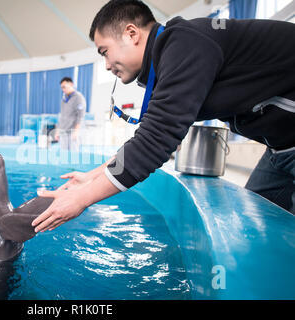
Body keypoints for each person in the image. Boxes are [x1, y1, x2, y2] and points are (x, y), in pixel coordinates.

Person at [32, 0, 295, 233]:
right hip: (281, 148)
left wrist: (81, 199)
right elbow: (149, 137)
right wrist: (93, 175)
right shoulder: (170, 61)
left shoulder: (185, 42)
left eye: (105, 52)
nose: (107, 65)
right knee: (261, 231)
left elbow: (156, 142)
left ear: (131, 33)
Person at [55, 77, 86, 151]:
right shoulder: (64, 99)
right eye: (62, 88)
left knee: (73, 155)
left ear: (71, 84)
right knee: (64, 155)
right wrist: (57, 131)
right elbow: (62, 116)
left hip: (73, 132)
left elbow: (80, 116)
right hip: (63, 132)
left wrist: (76, 131)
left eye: (64, 87)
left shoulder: (78, 97)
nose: (63, 90)